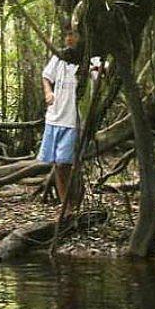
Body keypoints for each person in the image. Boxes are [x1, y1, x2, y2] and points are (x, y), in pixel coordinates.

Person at [38, 27, 101, 209]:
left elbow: (99, 75)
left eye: (73, 34)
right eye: (66, 34)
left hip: (74, 120)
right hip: (54, 117)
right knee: (59, 165)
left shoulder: (91, 58)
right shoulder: (60, 56)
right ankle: (66, 205)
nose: (69, 38)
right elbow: (46, 76)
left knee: (70, 163)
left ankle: (75, 204)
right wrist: (48, 92)